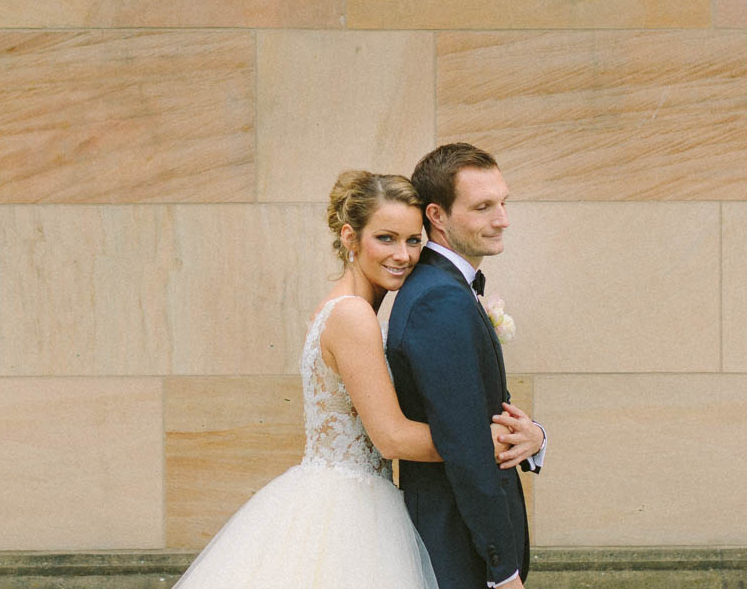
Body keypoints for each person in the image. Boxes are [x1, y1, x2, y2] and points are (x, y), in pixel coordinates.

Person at [173, 170, 532, 588]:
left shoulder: (346, 308)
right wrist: (480, 443)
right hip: (350, 511)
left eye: (413, 240)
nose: (403, 255)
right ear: (349, 238)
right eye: (386, 238)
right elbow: (392, 438)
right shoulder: (353, 315)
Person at [386, 143, 546, 589]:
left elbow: (485, 416)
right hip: (460, 552)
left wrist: (535, 436)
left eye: (503, 202)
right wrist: (503, 571)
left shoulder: (448, 288)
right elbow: (465, 448)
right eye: (483, 207)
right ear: (437, 215)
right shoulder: (439, 300)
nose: (503, 219)